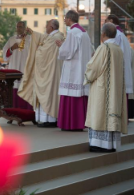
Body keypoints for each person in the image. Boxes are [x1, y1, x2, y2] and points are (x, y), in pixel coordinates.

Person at [84, 23, 127, 152]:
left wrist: (88, 72)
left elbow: (93, 68)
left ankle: (99, 144)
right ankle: (111, 144)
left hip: (103, 89)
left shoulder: (104, 48)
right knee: (110, 112)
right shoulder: (118, 49)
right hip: (115, 89)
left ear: (103, 34)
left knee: (100, 113)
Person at [18, 19, 64, 128]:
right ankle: (47, 119)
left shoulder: (55, 38)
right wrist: (32, 32)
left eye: (47, 25)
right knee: (48, 94)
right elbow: (42, 38)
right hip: (50, 71)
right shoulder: (55, 36)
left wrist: (37, 50)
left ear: (51, 28)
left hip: (50, 73)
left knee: (48, 94)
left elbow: (42, 53)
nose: (45, 27)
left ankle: (50, 119)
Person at [55, 10, 93, 131]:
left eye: (65, 18)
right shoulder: (84, 33)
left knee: (70, 94)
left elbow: (67, 52)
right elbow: (92, 51)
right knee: (80, 95)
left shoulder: (72, 32)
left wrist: (61, 46)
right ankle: (79, 123)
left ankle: (70, 124)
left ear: (70, 19)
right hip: (82, 69)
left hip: (73, 70)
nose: (64, 20)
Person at [106, 15, 133, 117]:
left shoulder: (116, 34)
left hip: (117, 70)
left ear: (111, 21)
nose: (105, 23)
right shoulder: (121, 34)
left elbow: (113, 51)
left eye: (106, 21)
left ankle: (117, 118)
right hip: (123, 69)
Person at [3, 21, 33, 110]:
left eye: (20, 27)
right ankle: (13, 111)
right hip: (14, 66)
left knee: (25, 88)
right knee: (14, 88)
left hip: (25, 67)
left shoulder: (30, 40)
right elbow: (5, 55)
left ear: (25, 28)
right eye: (17, 27)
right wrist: (12, 48)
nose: (18, 29)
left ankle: (26, 111)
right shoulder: (11, 40)